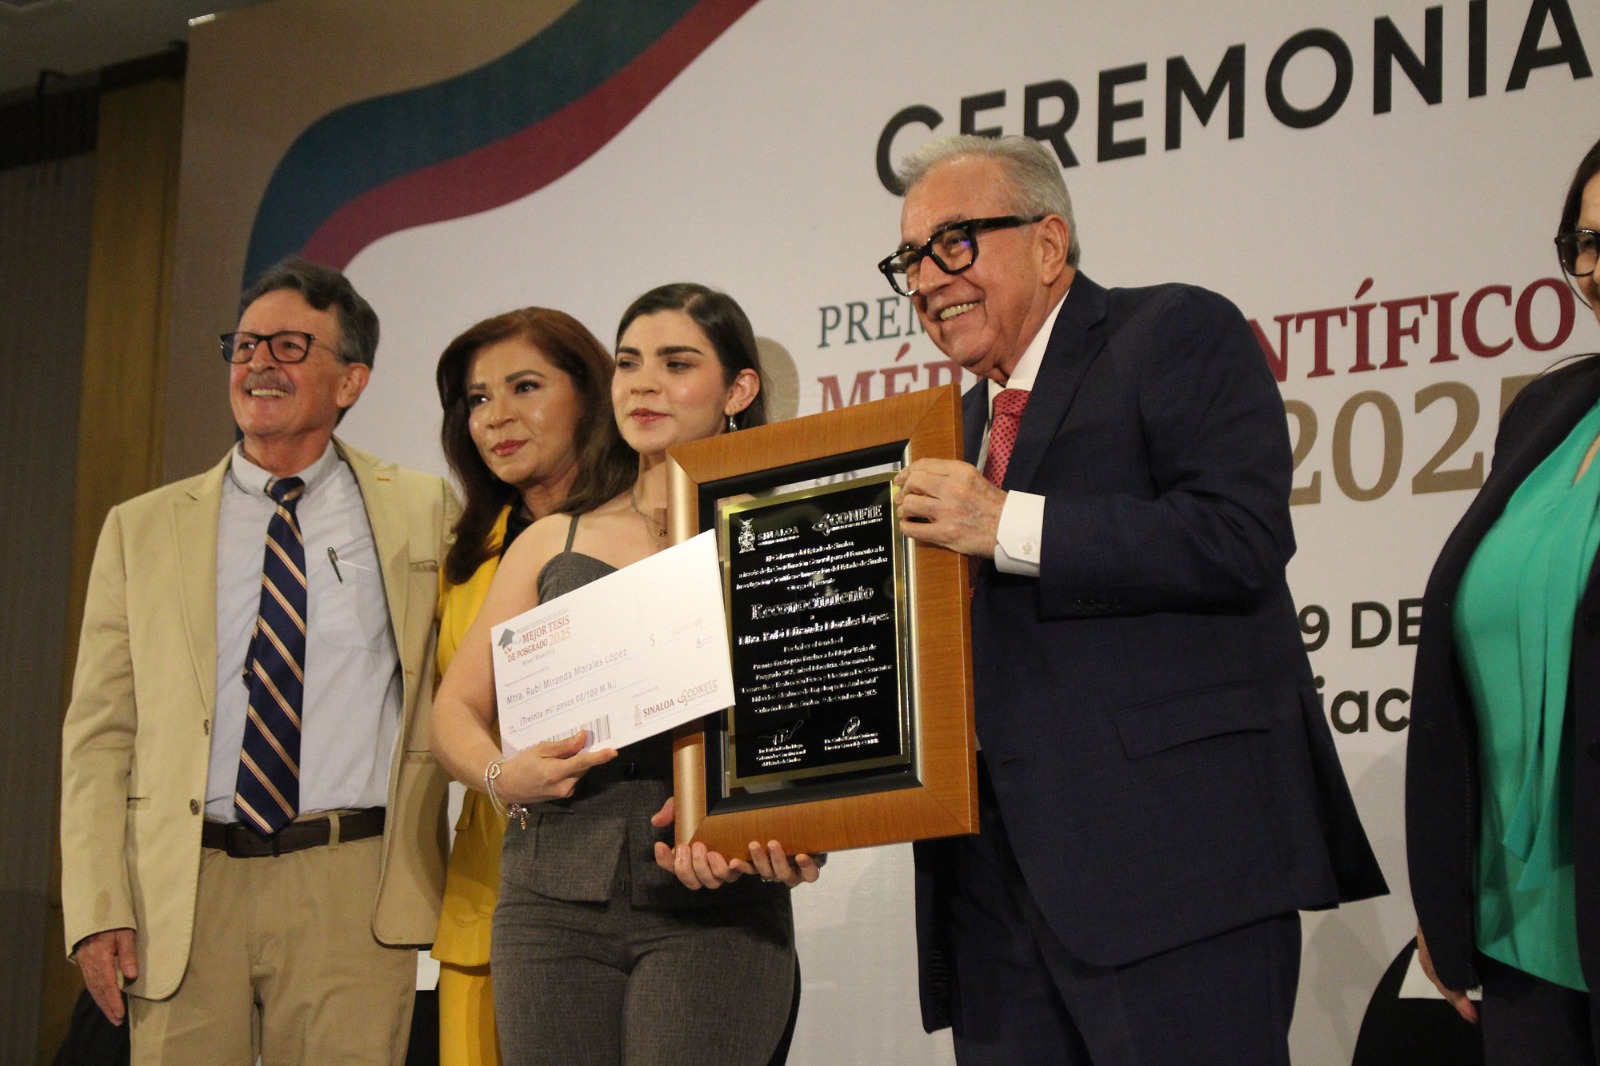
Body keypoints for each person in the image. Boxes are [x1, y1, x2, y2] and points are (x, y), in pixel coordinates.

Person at [883, 134, 1388, 1065]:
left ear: (1048, 243)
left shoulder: (1171, 332)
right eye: (910, 258)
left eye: (953, 242)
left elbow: (1240, 534)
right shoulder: (948, 434)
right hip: (990, 896)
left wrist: (1007, 523)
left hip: (1172, 870)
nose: (926, 278)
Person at [58, 258, 458, 1064]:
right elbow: (100, 733)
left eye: (289, 346)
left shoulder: (424, 509)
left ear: (351, 381)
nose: (258, 364)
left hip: (352, 881)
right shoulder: (142, 528)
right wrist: (98, 906)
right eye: (244, 346)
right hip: (184, 885)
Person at [431, 283, 817, 1066]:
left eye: (677, 364)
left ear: (739, 390)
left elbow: (820, 725)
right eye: (629, 363)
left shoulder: (789, 540)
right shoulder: (551, 540)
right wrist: (503, 774)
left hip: (716, 897)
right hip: (548, 902)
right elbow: (454, 711)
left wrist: (796, 832)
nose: (643, 384)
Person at [1408, 134, 1600, 1065]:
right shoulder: (1546, 410)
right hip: (1519, 930)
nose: (1598, 268)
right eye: (1586, 243)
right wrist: (1450, 895)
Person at [430, 307, 634, 1066]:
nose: (496, 417)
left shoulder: (653, 521)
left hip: (632, 876)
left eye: (524, 387)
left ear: (592, 393)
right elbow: (449, 710)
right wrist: (497, 774)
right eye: (478, 399)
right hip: (489, 890)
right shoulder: (463, 554)